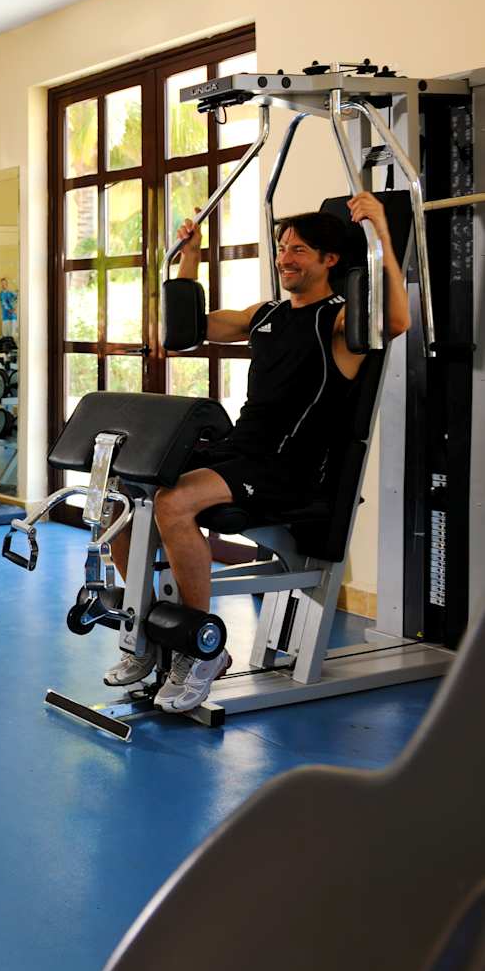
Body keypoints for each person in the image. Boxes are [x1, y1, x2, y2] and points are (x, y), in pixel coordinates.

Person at [103, 194, 408, 712]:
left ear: (330, 260)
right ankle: (148, 633)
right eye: (282, 248)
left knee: (174, 502)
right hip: (240, 450)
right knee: (123, 494)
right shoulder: (265, 315)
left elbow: (395, 322)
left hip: (288, 467)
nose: (285, 258)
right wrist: (190, 255)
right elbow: (189, 330)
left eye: (299, 250)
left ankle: (201, 650)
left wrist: (380, 228)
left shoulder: (339, 322)